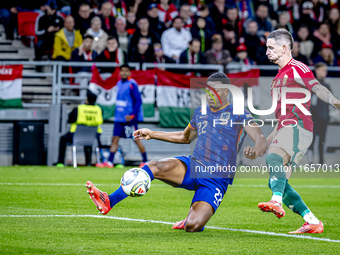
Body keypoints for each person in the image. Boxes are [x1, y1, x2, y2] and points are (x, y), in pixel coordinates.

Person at [86, 72, 267, 232]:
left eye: (216, 90)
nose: (211, 94)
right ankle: (109, 200)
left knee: (192, 226)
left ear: (226, 92)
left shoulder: (238, 113)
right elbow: (184, 137)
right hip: (193, 165)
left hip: (216, 179)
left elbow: (261, 139)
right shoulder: (201, 112)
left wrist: (255, 151)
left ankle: (190, 219)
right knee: (153, 166)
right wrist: (151, 133)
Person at [258, 29, 340, 234]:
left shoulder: (297, 68)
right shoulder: (276, 79)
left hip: (298, 127)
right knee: (276, 181)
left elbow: (316, 87)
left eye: (271, 47)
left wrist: (333, 101)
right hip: (285, 128)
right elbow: (279, 119)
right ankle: (311, 220)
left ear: (284, 47)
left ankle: (275, 201)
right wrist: (266, 142)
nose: (267, 52)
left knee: (273, 159)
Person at [96, 64, 148, 168]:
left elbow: (138, 101)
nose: (124, 73)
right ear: (119, 72)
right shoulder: (119, 83)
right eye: (122, 71)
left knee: (137, 139)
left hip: (129, 119)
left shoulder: (132, 84)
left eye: (126, 71)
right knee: (114, 139)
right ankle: (110, 162)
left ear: (129, 72)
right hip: (119, 118)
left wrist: (132, 115)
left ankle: (146, 162)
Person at [56, 90, 103, 167]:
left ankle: (60, 162)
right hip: (93, 137)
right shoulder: (99, 110)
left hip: (76, 136)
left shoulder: (79, 108)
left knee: (63, 139)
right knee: (89, 142)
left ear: (87, 99)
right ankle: (88, 163)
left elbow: (70, 119)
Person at [308, 62, 332, 165]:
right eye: (323, 70)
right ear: (317, 71)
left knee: (322, 141)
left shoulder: (327, 86)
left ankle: (321, 163)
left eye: (325, 70)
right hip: (314, 119)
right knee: (312, 141)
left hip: (324, 118)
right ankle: (310, 161)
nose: (324, 72)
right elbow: (310, 103)